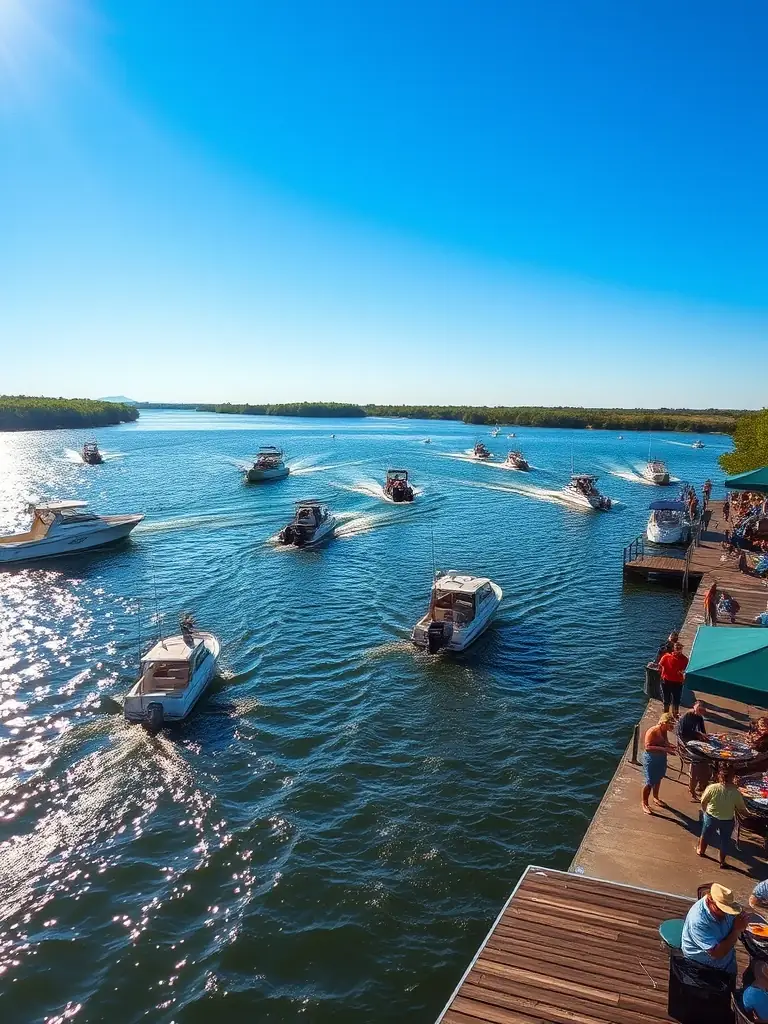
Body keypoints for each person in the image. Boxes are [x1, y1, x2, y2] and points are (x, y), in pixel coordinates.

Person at [681, 882, 748, 975]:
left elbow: (739, 913)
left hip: (726, 954)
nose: (725, 913)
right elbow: (717, 953)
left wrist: (742, 918)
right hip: (703, 963)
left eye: (728, 909)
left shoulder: (723, 904)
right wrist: (736, 930)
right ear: (710, 899)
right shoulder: (698, 920)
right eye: (721, 909)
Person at [697, 765, 747, 869]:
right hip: (728, 820)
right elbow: (741, 808)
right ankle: (722, 861)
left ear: (719, 776)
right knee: (725, 840)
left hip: (711, 817)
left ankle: (701, 851)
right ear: (732, 778)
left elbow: (703, 801)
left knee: (705, 835)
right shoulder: (736, 792)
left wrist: (705, 810)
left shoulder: (712, 788)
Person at [641, 712, 676, 814]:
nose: (671, 727)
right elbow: (647, 747)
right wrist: (664, 748)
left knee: (659, 777)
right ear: (663, 723)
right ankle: (644, 803)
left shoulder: (664, 731)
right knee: (650, 781)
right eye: (670, 724)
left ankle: (656, 797)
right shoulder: (653, 731)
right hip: (651, 758)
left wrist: (671, 746)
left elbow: (665, 742)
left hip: (661, 757)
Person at [678, 701, 711, 799]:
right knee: (696, 763)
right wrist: (697, 735)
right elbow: (683, 732)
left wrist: (704, 737)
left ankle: (702, 783)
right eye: (699, 710)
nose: (700, 712)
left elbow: (702, 731)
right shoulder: (687, 716)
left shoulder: (699, 718)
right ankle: (692, 788)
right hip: (685, 740)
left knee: (707, 756)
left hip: (693, 738)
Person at [658, 641, 689, 717]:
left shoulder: (685, 659)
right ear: (673, 649)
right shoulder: (666, 657)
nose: (678, 650)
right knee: (666, 700)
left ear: (682, 649)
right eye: (677, 648)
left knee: (676, 700)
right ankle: (665, 716)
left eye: (680, 648)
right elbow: (659, 666)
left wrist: (682, 673)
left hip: (677, 682)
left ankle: (675, 715)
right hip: (666, 681)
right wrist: (662, 674)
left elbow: (686, 670)